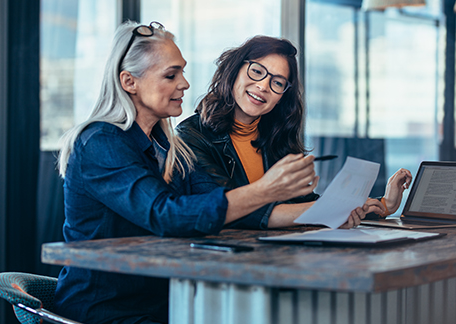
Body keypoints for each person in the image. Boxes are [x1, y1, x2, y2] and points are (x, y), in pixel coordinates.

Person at [53, 22, 363, 324]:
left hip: (165, 302)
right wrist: (266, 190)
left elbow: (220, 204)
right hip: (107, 310)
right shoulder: (101, 142)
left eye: (183, 72)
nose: (185, 84)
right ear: (129, 82)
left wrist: (332, 209)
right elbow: (165, 215)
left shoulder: (167, 145)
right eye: (171, 75)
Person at [176, 35, 412, 223]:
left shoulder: (276, 136)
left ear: (282, 95)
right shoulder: (191, 136)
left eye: (277, 82)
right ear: (234, 70)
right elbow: (231, 210)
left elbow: (303, 203)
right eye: (257, 71)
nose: (263, 86)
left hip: (280, 257)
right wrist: (326, 211)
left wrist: (382, 205)